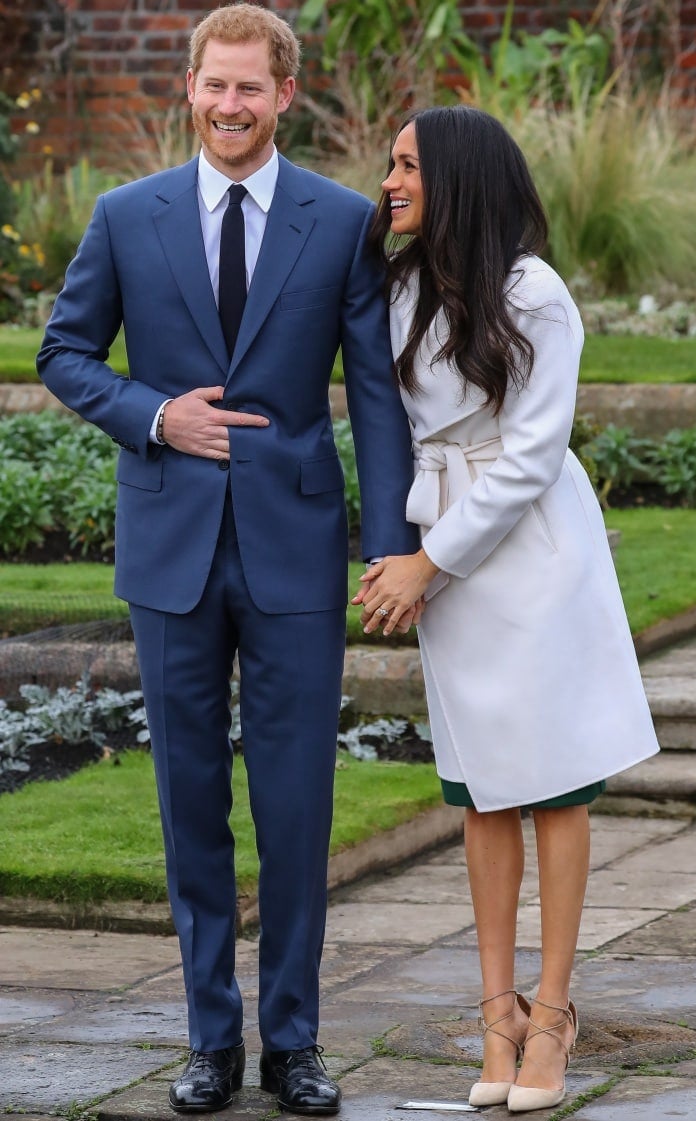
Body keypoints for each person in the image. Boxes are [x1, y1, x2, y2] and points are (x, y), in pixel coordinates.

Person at [37, 4, 418, 1116]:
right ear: (191, 88)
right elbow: (64, 353)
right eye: (215, 86)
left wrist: (391, 539)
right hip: (171, 550)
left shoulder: (343, 220)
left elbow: (377, 396)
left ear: (283, 95)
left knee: (296, 802)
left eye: (251, 88)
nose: (231, 106)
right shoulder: (126, 215)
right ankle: (211, 1036)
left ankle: (294, 1039)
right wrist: (156, 415)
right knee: (187, 796)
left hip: (297, 549)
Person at [353, 105, 660, 1113]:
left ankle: (556, 1012)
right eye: (389, 163)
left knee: (554, 785)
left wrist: (426, 564)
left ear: (457, 177)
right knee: (479, 785)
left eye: (406, 165)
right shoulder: (396, 288)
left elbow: (530, 454)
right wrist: (402, 552)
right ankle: (498, 1012)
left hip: (528, 554)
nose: (389, 179)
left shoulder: (534, 293)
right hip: (439, 553)